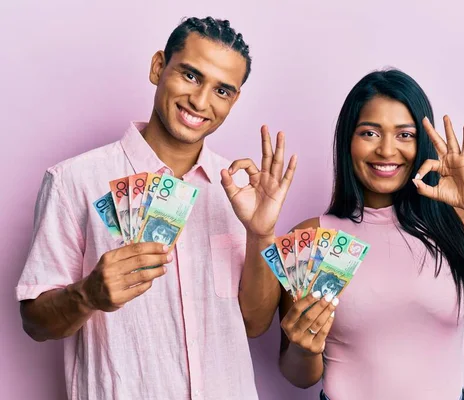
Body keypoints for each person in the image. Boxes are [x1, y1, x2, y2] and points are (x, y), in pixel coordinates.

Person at [16, 16, 294, 399]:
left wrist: (260, 232)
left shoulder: (240, 191)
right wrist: (88, 295)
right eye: (191, 76)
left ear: (235, 99)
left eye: (222, 90)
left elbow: (254, 322)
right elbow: (35, 322)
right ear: (158, 67)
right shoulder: (74, 182)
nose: (200, 102)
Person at [275, 68, 464, 400]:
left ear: (423, 144)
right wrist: (303, 350)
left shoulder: (453, 225)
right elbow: (298, 377)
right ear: (348, 140)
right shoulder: (313, 238)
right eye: (370, 133)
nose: (387, 151)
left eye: (405, 134)